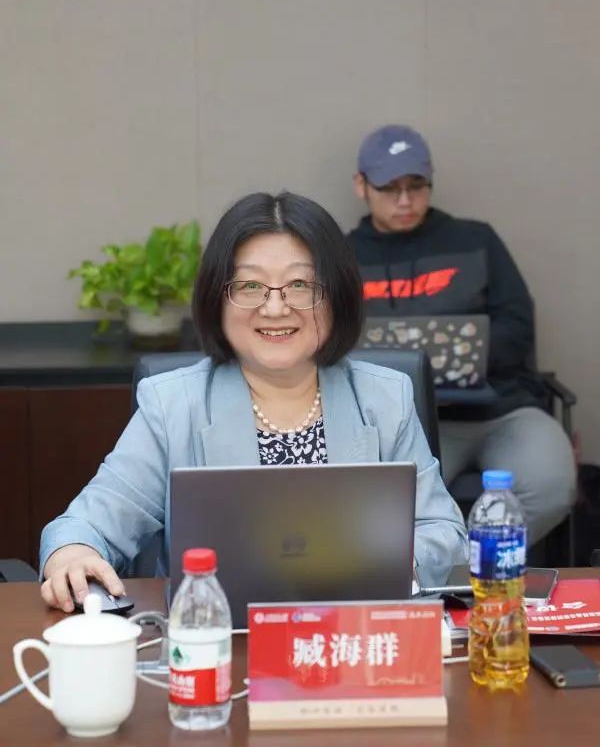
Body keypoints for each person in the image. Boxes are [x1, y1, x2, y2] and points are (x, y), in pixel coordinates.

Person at [40, 191, 467, 612]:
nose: (275, 308)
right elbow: (88, 523)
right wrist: (71, 553)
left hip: (352, 635)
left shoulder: (384, 398)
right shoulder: (172, 405)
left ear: (335, 296)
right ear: (217, 299)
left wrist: (381, 566)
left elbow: (444, 532)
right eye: (249, 286)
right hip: (218, 640)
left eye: (299, 285)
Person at [347, 124, 576, 545]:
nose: (405, 200)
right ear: (361, 185)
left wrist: (462, 356)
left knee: (551, 484)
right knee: (384, 509)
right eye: (390, 188)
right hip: (406, 420)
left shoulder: (476, 239)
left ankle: (473, 563)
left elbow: (517, 326)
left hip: (500, 409)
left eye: (417, 186)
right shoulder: (343, 256)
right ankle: (445, 562)